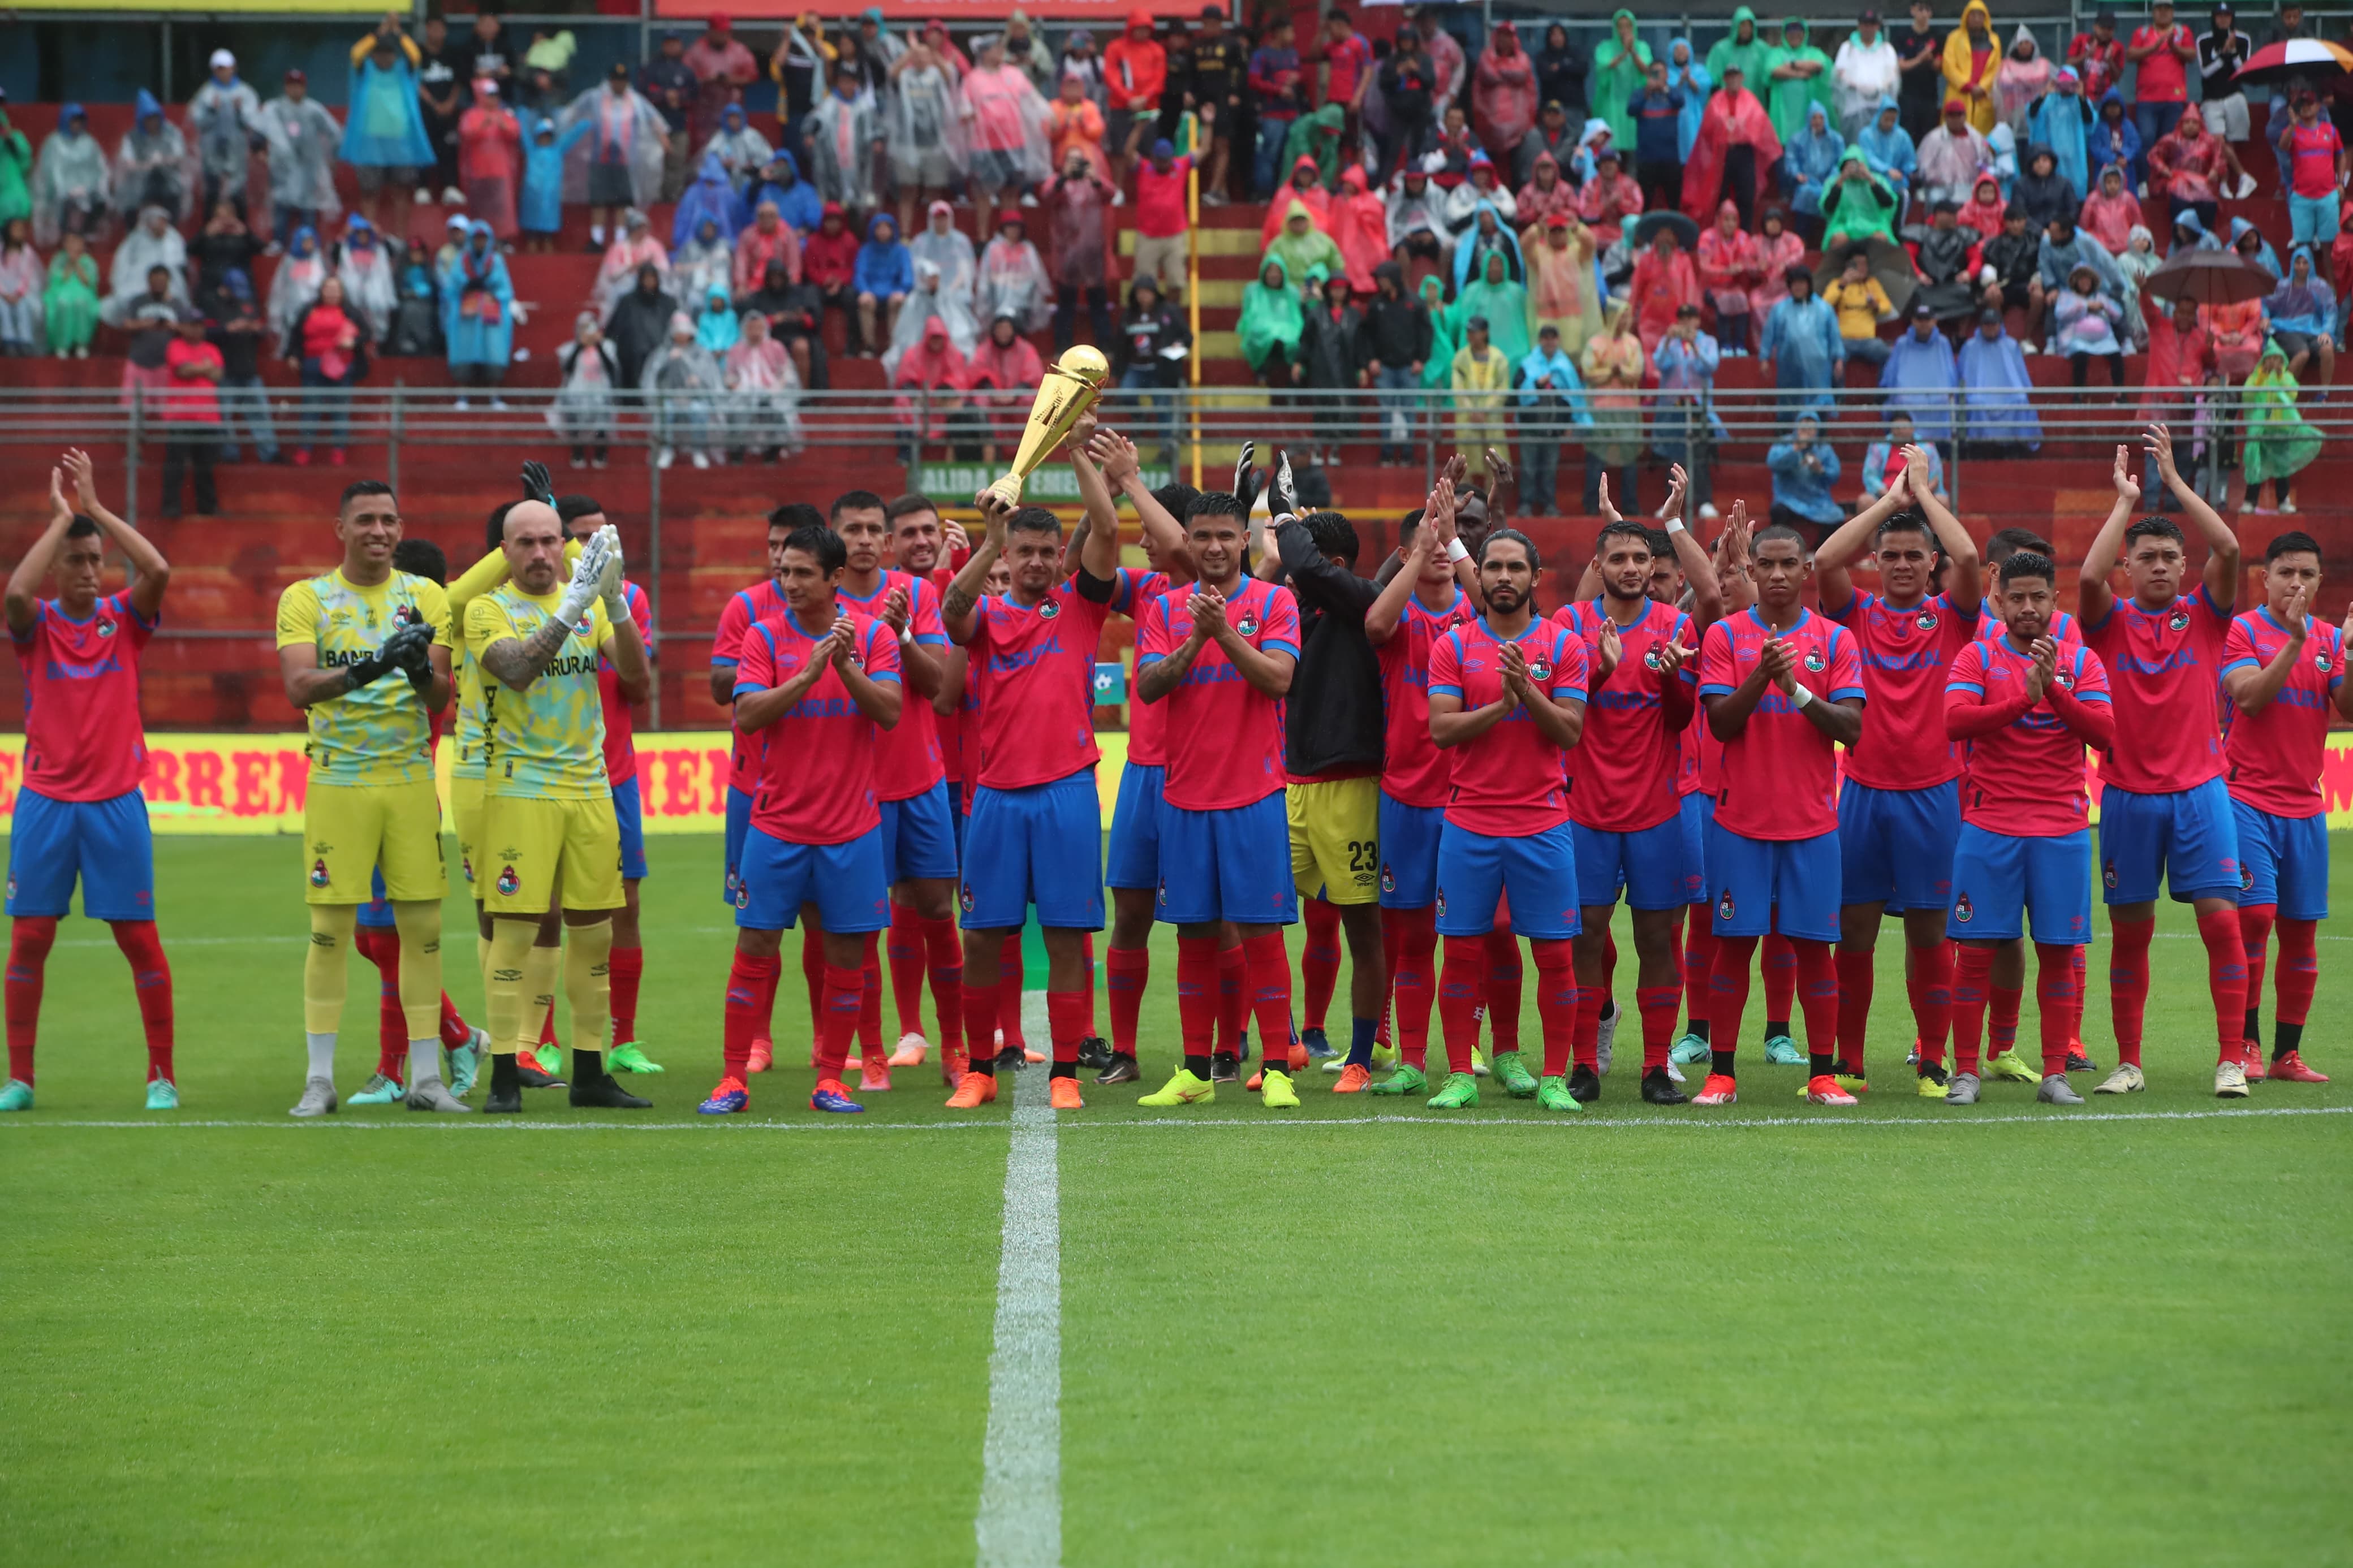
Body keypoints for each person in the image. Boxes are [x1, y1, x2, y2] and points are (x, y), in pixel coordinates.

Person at [938, 480, 1123, 1111]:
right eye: (1026, 552)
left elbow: (1106, 529)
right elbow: (949, 615)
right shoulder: (987, 617)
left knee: (1069, 936)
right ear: (1008, 557)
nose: (1039, 561)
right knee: (983, 937)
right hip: (996, 795)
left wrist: (1077, 450)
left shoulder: (1079, 606)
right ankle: (981, 1069)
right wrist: (987, 542)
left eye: (1048, 550)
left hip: (1067, 791)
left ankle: (1065, 1072)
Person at [276, 478, 459, 1116]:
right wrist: (369, 669)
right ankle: (320, 1080)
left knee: (424, 931)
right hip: (338, 779)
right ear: (341, 529)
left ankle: (428, 1079)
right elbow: (299, 687)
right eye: (365, 521)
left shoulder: (426, 595)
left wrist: (415, 672)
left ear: (400, 530)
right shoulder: (308, 598)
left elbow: (441, 698)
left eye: (388, 520)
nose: (377, 531)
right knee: (328, 932)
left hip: (408, 779)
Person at [461, 496, 650, 1115]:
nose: (541, 553)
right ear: (505, 551)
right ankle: (506, 1073)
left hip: (589, 789)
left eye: (550, 541)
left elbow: (637, 682)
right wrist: (575, 604)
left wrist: (615, 600)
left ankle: (591, 1071)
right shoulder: (488, 609)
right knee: (514, 934)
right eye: (526, 543)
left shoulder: (594, 604)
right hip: (520, 790)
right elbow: (516, 669)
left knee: (593, 935)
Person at [0, 451, 176, 1112]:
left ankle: (162, 1073)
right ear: (55, 568)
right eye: (75, 560)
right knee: (31, 939)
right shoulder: (37, 625)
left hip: (115, 803)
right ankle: (21, 1078)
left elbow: (158, 568)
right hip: (46, 803)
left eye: (94, 559)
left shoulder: (124, 621)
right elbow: (16, 594)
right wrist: (60, 521)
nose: (87, 570)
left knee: (138, 938)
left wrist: (95, 510)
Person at [1806, 450, 1985, 1093]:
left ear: (1928, 563)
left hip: (1933, 796)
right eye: (1893, 555)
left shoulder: (1951, 619)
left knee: (1928, 930)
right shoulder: (1854, 615)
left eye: (1915, 555)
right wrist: (1889, 503)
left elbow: (1968, 559)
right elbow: (1823, 561)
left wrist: (1926, 496)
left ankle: (1931, 1059)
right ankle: (1848, 1059)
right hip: (1860, 792)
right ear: (1875, 562)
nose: (1905, 564)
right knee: (1852, 929)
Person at [2077, 426, 2246, 1096]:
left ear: (2183, 567)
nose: (2156, 565)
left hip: (2201, 793)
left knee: (2221, 923)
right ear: (2129, 567)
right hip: (2125, 795)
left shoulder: (2205, 619)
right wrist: (2123, 502)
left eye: (2167, 557)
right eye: (2143, 557)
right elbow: (2087, 575)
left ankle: (2230, 1059)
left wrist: (2174, 483)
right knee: (2130, 936)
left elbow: (2229, 546)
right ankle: (2129, 1062)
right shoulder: (2107, 621)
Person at [1690, 521, 1865, 1107]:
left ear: (1806, 570)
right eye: (1765, 564)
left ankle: (1820, 1074)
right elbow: (1718, 723)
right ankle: (1721, 1074)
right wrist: (1761, 675)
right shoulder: (1723, 637)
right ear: (1750, 572)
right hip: (1739, 824)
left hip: (1811, 825)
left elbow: (1850, 728)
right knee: (1732, 947)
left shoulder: (1834, 641)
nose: (1778, 574)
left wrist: (1793, 689)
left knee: (1814, 948)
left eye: (1789, 563)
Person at [1416, 526, 1588, 1111]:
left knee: (1555, 955)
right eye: (1493, 567)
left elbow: (1568, 730)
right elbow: (1440, 730)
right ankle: (1461, 1073)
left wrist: (1526, 693)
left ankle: (1555, 1077)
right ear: (1480, 576)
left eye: (1516, 568)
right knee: (1461, 951)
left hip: (1541, 822)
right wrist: (1501, 705)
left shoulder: (1563, 645)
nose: (1504, 577)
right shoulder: (1454, 645)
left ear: (1534, 578)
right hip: (1469, 822)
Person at [1937, 547, 2114, 1105]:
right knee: (1976, 952)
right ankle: (1965, 1071)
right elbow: (1955, 722)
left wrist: (2052, 691)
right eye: (2017, 598)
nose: (2028, 607)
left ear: (2055, 600)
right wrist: (2022, 699)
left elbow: (2104, 734)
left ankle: (2054, 1073)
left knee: (2058, 952)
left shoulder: (2081, 662)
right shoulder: (1975, 657)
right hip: (1989, 824)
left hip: (2059, 827)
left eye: (2038, 596)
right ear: (1999, 601)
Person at [815, 494, 958, 1085]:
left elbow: (941, 689)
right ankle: (872, 1053)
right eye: (853, 529)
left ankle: (954, 1049)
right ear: (835, 536)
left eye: (875, 529)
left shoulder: (917, 595)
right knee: (861, 922)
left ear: (890, 542)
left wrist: (897, 637)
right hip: (858, 790)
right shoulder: (823, 606)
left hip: (921, 782)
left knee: (936, 911)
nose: (866, 539)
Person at [1254, 495, 1389, 1086]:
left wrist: (1285, 516)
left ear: (1332, 562)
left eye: (1302, 562)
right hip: (1292, 786)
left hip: (1350, 789)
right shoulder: (1296, 612)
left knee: (1362, 927)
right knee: (1256, 916)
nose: (1291, 573)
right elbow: (1274, 579)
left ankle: (1361, 1057)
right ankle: (1280, 1044)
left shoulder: (1361, 603)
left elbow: (1305, 569)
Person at [2220, 531, 2345, 1083]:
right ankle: (2243, 1044)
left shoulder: (2329, 639)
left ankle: (2284, 1054)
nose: (2295, 582)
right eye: (2285, 572)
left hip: (2305, 806)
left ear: (2319, 582)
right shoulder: (2242, 629)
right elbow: (2245, 697)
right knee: (2253, 917)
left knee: (2300, 932)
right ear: (2263, 577)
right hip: (2244, 797)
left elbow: (2347, 706)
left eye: (2307, 574)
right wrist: (2292, 643)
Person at [341, 25, 434, 237]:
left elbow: (416, 55)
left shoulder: (405, 71)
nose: (384, 58)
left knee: (401, 193)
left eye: (389, 53)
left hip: (400, 144)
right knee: (369, 193)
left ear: (395, 55)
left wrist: (399, 33)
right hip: (369, 145)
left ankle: (400, 240)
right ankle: (368, 239)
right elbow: (356, 53)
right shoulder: (364, 70)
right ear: (373, 54)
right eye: (379, 53)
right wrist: (377, 34)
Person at [1683, 64, 1783, 229]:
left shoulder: (1751, 100)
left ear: (1742, 78)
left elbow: (1762, 126)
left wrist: (1745, 133)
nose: (1733, 80)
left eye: (1736, 76)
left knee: (1746, 195)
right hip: (1722, 153)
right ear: (1725, 80)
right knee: (1719, 195)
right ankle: (1719, 232)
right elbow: (1707, 130)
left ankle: (1745, 232)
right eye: (1730, 77)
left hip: (1744, 152)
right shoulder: (1716, 101)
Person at [284, 274, 364, 466]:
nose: (332, 293)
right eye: (328, 289)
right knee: (311, 408)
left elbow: (366, 333)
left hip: (341, 366)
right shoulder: (309, 310)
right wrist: (292, 355)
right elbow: (296, 335)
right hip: (312, 365)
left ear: (342, 292)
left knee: (340, 410)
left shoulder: (350, 311)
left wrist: (352, 342)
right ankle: (304, 450)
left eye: (336, 289)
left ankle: (338, 451)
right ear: (321, 291)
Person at [155, 310, 223, 519]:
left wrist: (197, 369)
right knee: (175, 465)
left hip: (208, 418)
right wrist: (204, 368)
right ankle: (171, 508)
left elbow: (218, 374)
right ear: (182, 327)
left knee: (206, 467)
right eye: (192, 325)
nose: (197, 329)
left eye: (200, 325)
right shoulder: (175, 346)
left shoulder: (211, 348)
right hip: (180, 416)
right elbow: (182, 371)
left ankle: (208, 507)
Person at [1515, 324, 1589, 515]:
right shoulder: (1527, 364)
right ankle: (1526, 504)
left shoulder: (1565, 367)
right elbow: (1517, 391)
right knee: (1529, 469)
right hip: (1531, 427)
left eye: (1553, 337)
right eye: (1546, 338)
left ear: (1558, 340)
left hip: (1554, 428)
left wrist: (1571, 422)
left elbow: (1573, 396)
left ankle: (1549, 505)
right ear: (1540, 341)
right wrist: (1537, 385)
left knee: (1550, 470)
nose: (1549, 341)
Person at [2240, 340, 2321, 511]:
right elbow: (2248, 395)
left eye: (2278, 359)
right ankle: (2250, 502)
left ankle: (2283, 501)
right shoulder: (2256, 377)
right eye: (2271, 358)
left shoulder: (2287, 377)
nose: (2274, 362)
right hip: (2261, 430)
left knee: (2283, 467)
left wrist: (2277, 380)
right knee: (2256, 465)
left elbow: (2292, 394)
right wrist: (2263, 378)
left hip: (2281, 429)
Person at [1580, 303, 1646, 509]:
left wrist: (1623, 371)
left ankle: (1630, 503)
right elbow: (1589, 372)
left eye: (1628, 317)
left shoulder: (1633, 344)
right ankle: (1592, 503)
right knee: (1597, 456)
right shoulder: (1596, 343)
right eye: (1622, 317)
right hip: (1601, 410)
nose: (1625, 321)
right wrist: (1611, 372)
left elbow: (1637, 372)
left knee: (1629, 456)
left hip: (1627, 410)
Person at [443, 221, 512, 405]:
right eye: (477, 239)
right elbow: (450, 289)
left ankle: (495, 397)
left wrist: (491, 291)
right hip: (467, 317)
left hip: (491, 317)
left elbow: (506, 290)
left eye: (484, 239)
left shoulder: (496, 262)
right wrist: (467, 285)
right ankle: (463, 397)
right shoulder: (461, 261)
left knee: (494, 352)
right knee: (463, 354)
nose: (480, 243)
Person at [189, 49, 261, 220]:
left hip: (237, 155)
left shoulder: (245, 92)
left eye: (226, 68)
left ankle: (242, 236)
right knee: (212, 195)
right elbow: (199, 123)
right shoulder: (206, 93)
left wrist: (240, 110)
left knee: (237, 195)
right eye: (219, 68)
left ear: (233, 68)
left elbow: (252, 122)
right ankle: (209, 236)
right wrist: (211, 110)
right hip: (212, 155)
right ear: (214, 70)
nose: (223, 72)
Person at [1764, 264, 1845, 413]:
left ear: (1809, 285)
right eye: (1795, 283)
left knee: (1820, 402)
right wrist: (1764, 358)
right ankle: (1786, 431)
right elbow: (1769, 334)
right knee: (1790, 401)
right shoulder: (1779, 309)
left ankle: (1821, 432)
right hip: (1789, 365)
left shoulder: (1824, 308)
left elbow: (1834, 335)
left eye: (1802, 283)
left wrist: (1838, 358)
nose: (1798, 287)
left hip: (1819, 367)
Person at [1881, 299, 1961, 438]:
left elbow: (1951, 378)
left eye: (1927, 320)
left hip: (1938, 399)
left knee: (1945, 402)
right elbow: (1891, 378)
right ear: (1913, 321)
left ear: (1934, 321)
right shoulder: (1901, 344)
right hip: (1907, 399)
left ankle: (1943, 449)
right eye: (1920, 320)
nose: (1923, 324)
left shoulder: (1943, 343)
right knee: (1900, 401)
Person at [2276, 89, 2345, 250]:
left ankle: (2328, 277)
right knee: (2302, 247)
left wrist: (2341, 182)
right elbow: (2282, 146)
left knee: (2329, 246)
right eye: (2303, 104)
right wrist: (2293, 125)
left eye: (2310, 103)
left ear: (2319, 106)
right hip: (2301, 196)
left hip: (2328, 195)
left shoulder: (2331, 130)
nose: (2307, 107)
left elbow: (2342, 156)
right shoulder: (2292, 131)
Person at [1104, 10, 1168, 181]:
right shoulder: (1115, 48)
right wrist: (1128, 98)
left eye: (1146, 28)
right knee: (1119, 149)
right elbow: (1111, 75)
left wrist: (1145, 97)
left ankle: (1148, 186)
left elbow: (1159, 78)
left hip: (1149, 107)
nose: (1142, 32)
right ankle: (1118, 190)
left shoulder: (1157, 50)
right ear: (1130, 28)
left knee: (1148, 149)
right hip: (1121, 106)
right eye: (1138, 28)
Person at [456, 84, 523, 241]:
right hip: (478, 171)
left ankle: (502, 241)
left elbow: (515, 133)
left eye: (495, 95)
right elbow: (466, 134)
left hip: (501, 172)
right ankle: (480, 242)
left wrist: (503, 126)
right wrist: (483, 126)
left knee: (501, 210)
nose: (493, 99)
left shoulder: (505, 115)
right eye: (489, 95)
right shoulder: (471, 115)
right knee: (480, 210)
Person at [555, 313, 618, 468]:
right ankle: (578, 453)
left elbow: (611, 368)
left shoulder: (608, 346)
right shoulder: (569, 348)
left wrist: (599, 345)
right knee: (574, 420)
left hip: (600, 391)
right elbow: (566, 369)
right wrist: (579, 346)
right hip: (577, 391)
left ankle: (601, 454)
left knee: (602, 422)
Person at [1629, 224, 1700, 353]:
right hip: (1649, 324)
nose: (1665, 238)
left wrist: (1689, 319)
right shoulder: (1646, 260)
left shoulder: (1684, 261)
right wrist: (1630, 316)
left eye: (1669, 235)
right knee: (1652, 366)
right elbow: (1635, 292)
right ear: (1655, 237)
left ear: (1675, 238)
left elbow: (1690, 289)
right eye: (1661, 234)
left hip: (1677, 324)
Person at [2055, 261, 2127, 385]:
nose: (2085, 282)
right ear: (2076, 282)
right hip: (2077, 341)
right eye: (2082, 279)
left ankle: (2120, 395)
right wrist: (2085, 306)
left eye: (2088, 279)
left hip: (2105, 341)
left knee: (2117, 357)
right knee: (2080, 358)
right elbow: (2060, 314)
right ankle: (2079, 395)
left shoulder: (2101, 297)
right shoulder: (2067, 296)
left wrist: (2105, 307)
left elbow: (2118, 315)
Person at [1590, 10, 1651, 154]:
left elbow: (1647, 70)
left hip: (1635, 104)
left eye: (1628, 26)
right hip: (1611, 104)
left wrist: (1633, 52)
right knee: (1610, 149)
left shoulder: (1642, 47)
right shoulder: (1605, 47)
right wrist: (1625, 52)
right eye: (1621, 26)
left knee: (1635, 150)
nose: (1624, 30)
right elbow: (1605, 66)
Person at [1916, 96, 1992, 209]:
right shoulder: (1933, 139)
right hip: (1940, 192)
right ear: (1946, 117)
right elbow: (1924, 168)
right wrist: (1941, 180)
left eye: (1959, 115)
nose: (1956, 119)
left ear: (1965, 116)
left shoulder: (1977, 139)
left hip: (1971, 192)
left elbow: (1987, 164)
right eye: (1952, 115)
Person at [1941, 0, 2001, 132]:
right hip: (1959, 92)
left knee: (1982, 136)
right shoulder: (1954, 38)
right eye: (1972, 15)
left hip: (1983, 96)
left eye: (1980, 16)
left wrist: (1983, 87)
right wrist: (1967, 86)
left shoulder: (1994, 41)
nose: (1976, 19)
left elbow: (1996, 69)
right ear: (1966, 17)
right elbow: (1948, 66)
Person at [43, 231, 97, 357]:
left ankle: (81, 344)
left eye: (75, 242)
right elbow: (58, 280)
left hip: (83, 292)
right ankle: (62, 345)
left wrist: (77, 263)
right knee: (63, 303)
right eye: (69, 242)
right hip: (61, 291)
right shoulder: (58, 259)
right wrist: (70, 262)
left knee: (81, 303)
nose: (72, 245)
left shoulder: (88, 261)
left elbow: (88, 282)